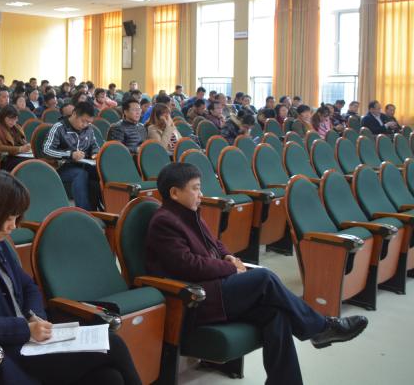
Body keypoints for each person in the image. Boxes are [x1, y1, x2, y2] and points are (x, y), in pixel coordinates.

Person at [144, 163, 368, 385]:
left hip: (215, 288)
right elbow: (188, 266)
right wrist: (231, 268)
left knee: (276, 314)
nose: (201, 194)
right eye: (195, 188)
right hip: (194, 299)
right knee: (264, 278)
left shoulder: (190, 214)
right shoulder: (164, 222)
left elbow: (215, 244)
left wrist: (228, 256)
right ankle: (320, 328)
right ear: (174, 193)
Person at [0, 171, 142, 385]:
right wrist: (25, 329)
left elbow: (29, 287)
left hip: (32, 342)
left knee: (109, 378)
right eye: (9, 218)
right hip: (8, 351)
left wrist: (35, 317)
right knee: (114, 344)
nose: (14, 226)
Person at [43, 101, 100, 211]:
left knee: (100, 172)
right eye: (83, 121)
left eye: (89, 122)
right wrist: (70, 154)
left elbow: (95, 146)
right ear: (74, 114)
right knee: (80, 174)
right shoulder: (59, 127)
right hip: (61, 167)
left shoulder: (89, 129)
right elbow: (46, 150)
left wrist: (95, 154)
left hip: (84, 164)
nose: (85, 125)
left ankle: (102, 210)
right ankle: (84, 212)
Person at [0, 105, 31, 171]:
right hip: (5, 159)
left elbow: (22, 142)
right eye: (10, 119)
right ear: (2, 117)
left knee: (35, 160)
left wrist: (27, 146)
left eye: (15, 119)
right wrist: (19, 149)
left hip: (20, 155)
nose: (12, 122)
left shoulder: (17, 127)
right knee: (27, 163)